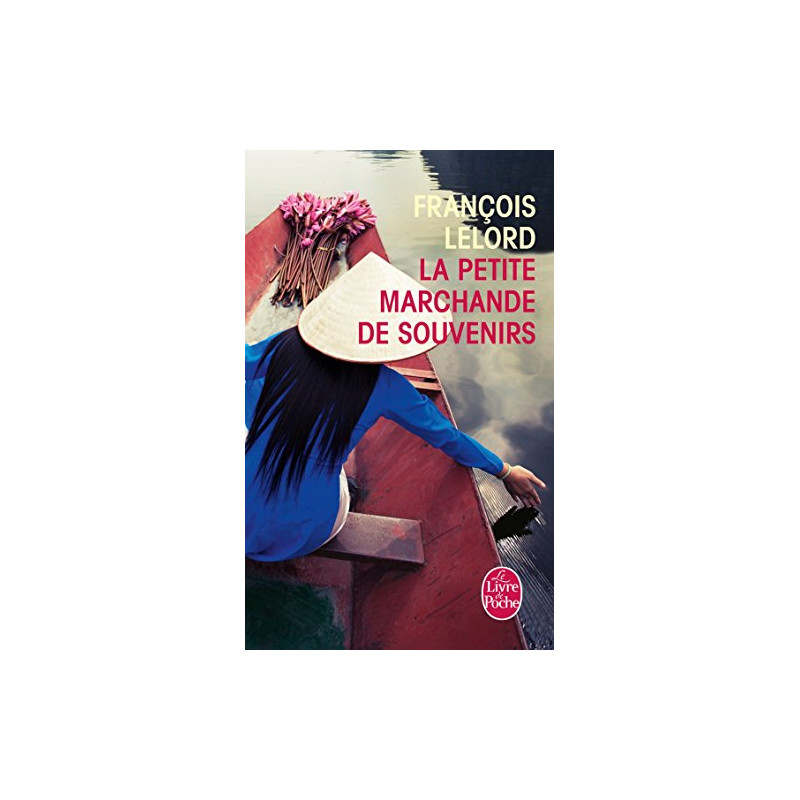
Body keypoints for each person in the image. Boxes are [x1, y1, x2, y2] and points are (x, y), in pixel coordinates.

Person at [245, 252, 546, 562]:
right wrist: (505, 470)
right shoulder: (386, 386)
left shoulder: (285, 344)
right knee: (340, 483)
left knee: (251, 394)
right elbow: (447, 436)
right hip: (302, 534)